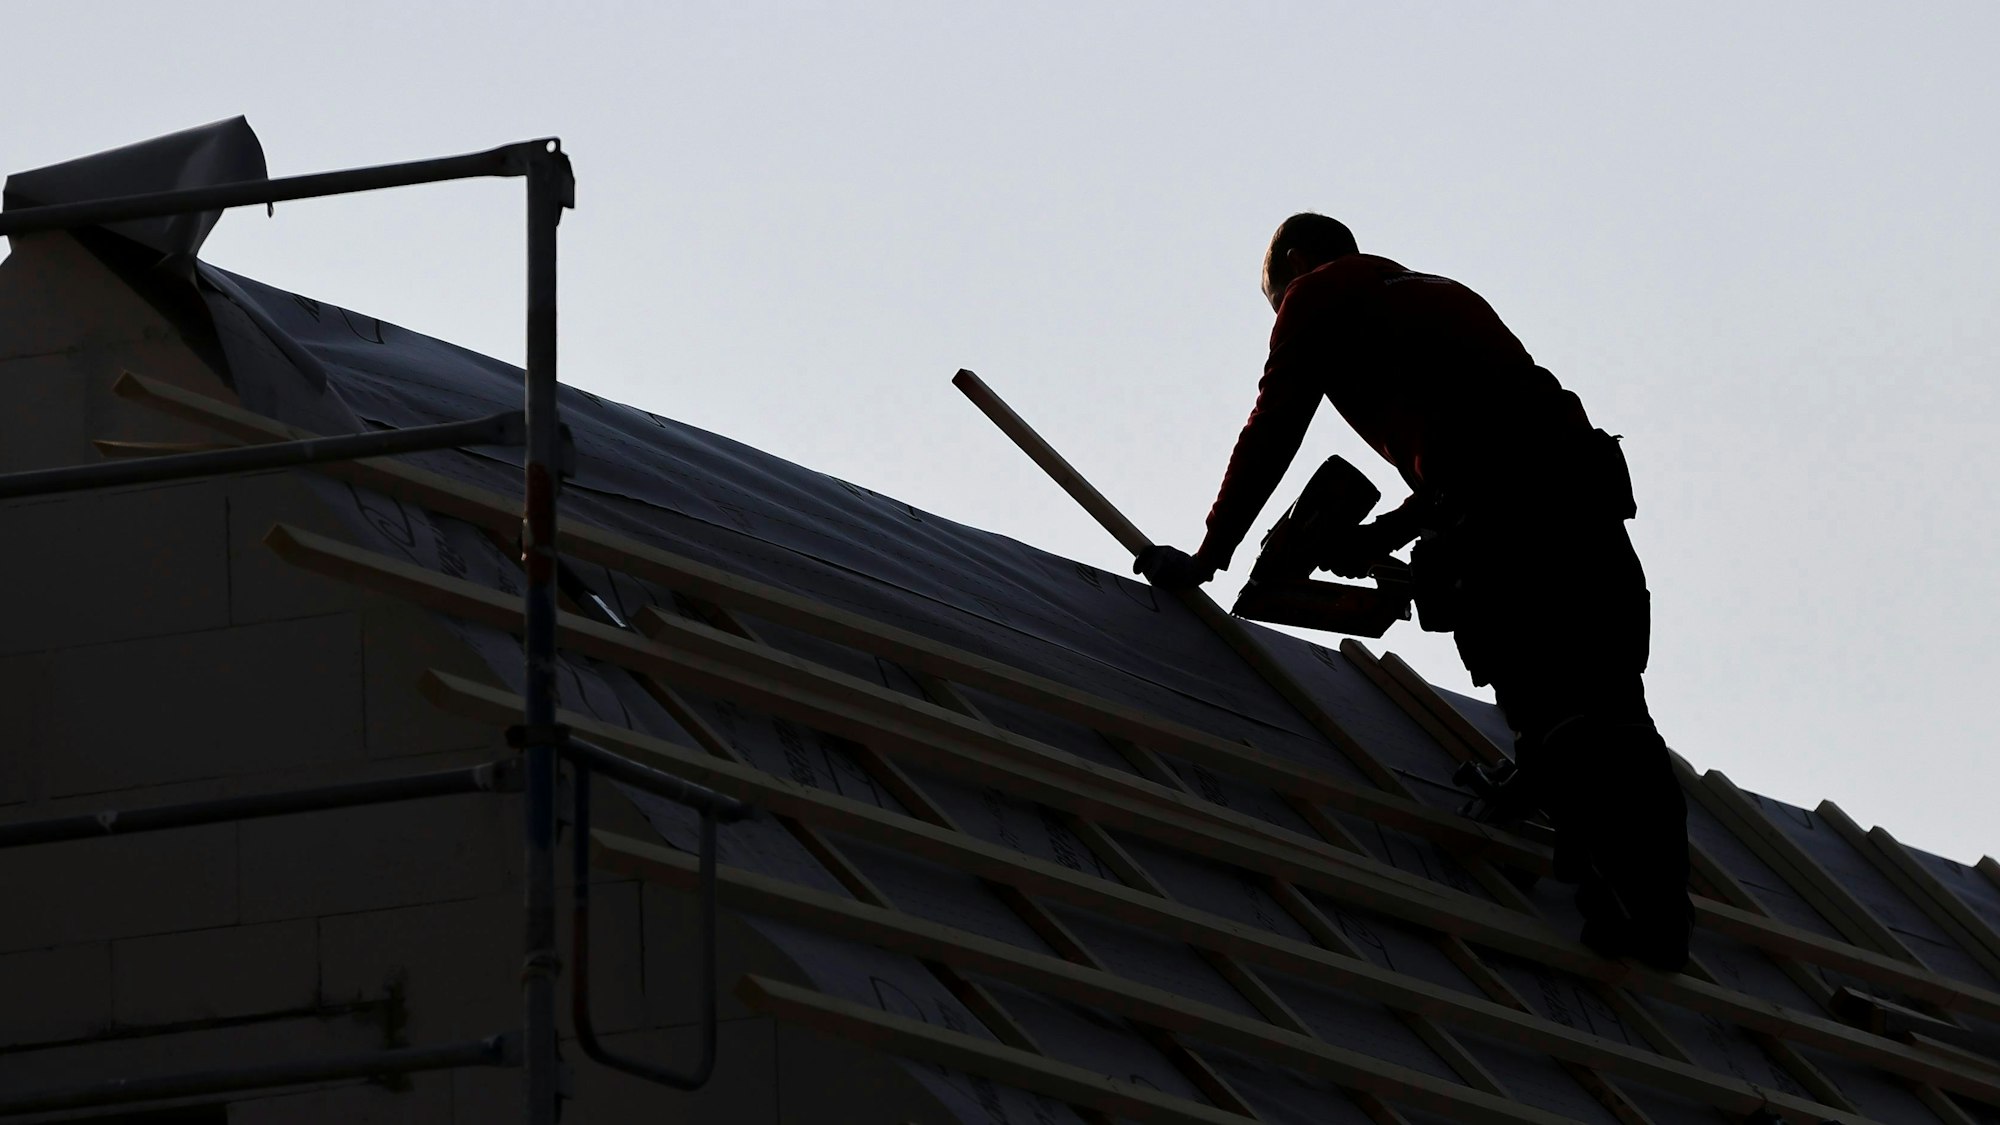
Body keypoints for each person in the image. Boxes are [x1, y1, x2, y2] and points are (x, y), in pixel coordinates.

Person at [1137, 213, 1691, 970]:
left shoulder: (1317, 292)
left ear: (1297, 260)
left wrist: (1212, 551)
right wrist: (1383, 537)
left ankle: (1627, 921)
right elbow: (1484, 447)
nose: (1281, 319)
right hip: (1583, 509)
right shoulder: (1436, 295)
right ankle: (1658, 909)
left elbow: (1277, 421)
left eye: (1275, 301)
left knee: (1561, 708)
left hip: (1513, 526)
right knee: (1609, 702)